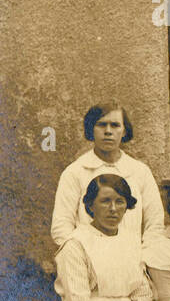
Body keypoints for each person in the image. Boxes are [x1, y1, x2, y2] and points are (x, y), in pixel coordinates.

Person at [51, 102, 164, 248]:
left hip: (131, 259)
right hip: (89, 259)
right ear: (91, 129)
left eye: (115, 125)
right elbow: (61, 227)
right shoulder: (75, 172)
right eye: (101, 125)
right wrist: (80, 257)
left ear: (124, 131)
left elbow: (155, 222)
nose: (108, 131)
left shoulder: (140, 172)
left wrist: (142, 255)